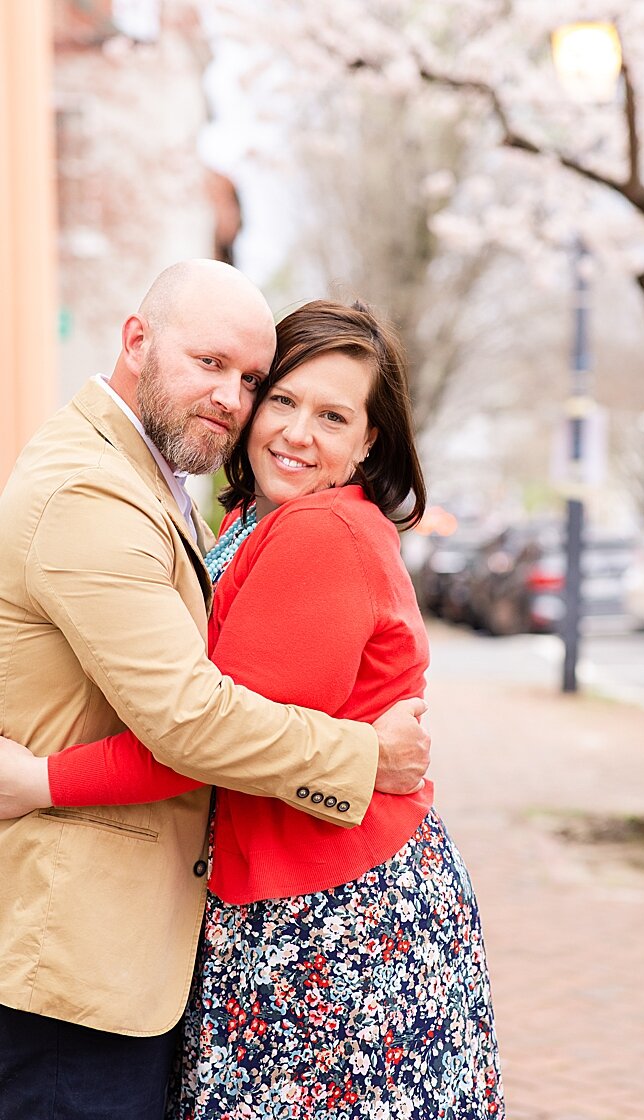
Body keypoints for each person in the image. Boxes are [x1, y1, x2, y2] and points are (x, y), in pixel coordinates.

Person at [0, 298, 503, 1118]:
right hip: (282, 900)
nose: (297, 434)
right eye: (282, 400)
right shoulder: (247, 519)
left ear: (369, 441)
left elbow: (200, 734)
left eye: (333, 416)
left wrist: (40, 781)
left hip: (332, 925)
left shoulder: (319, 535)